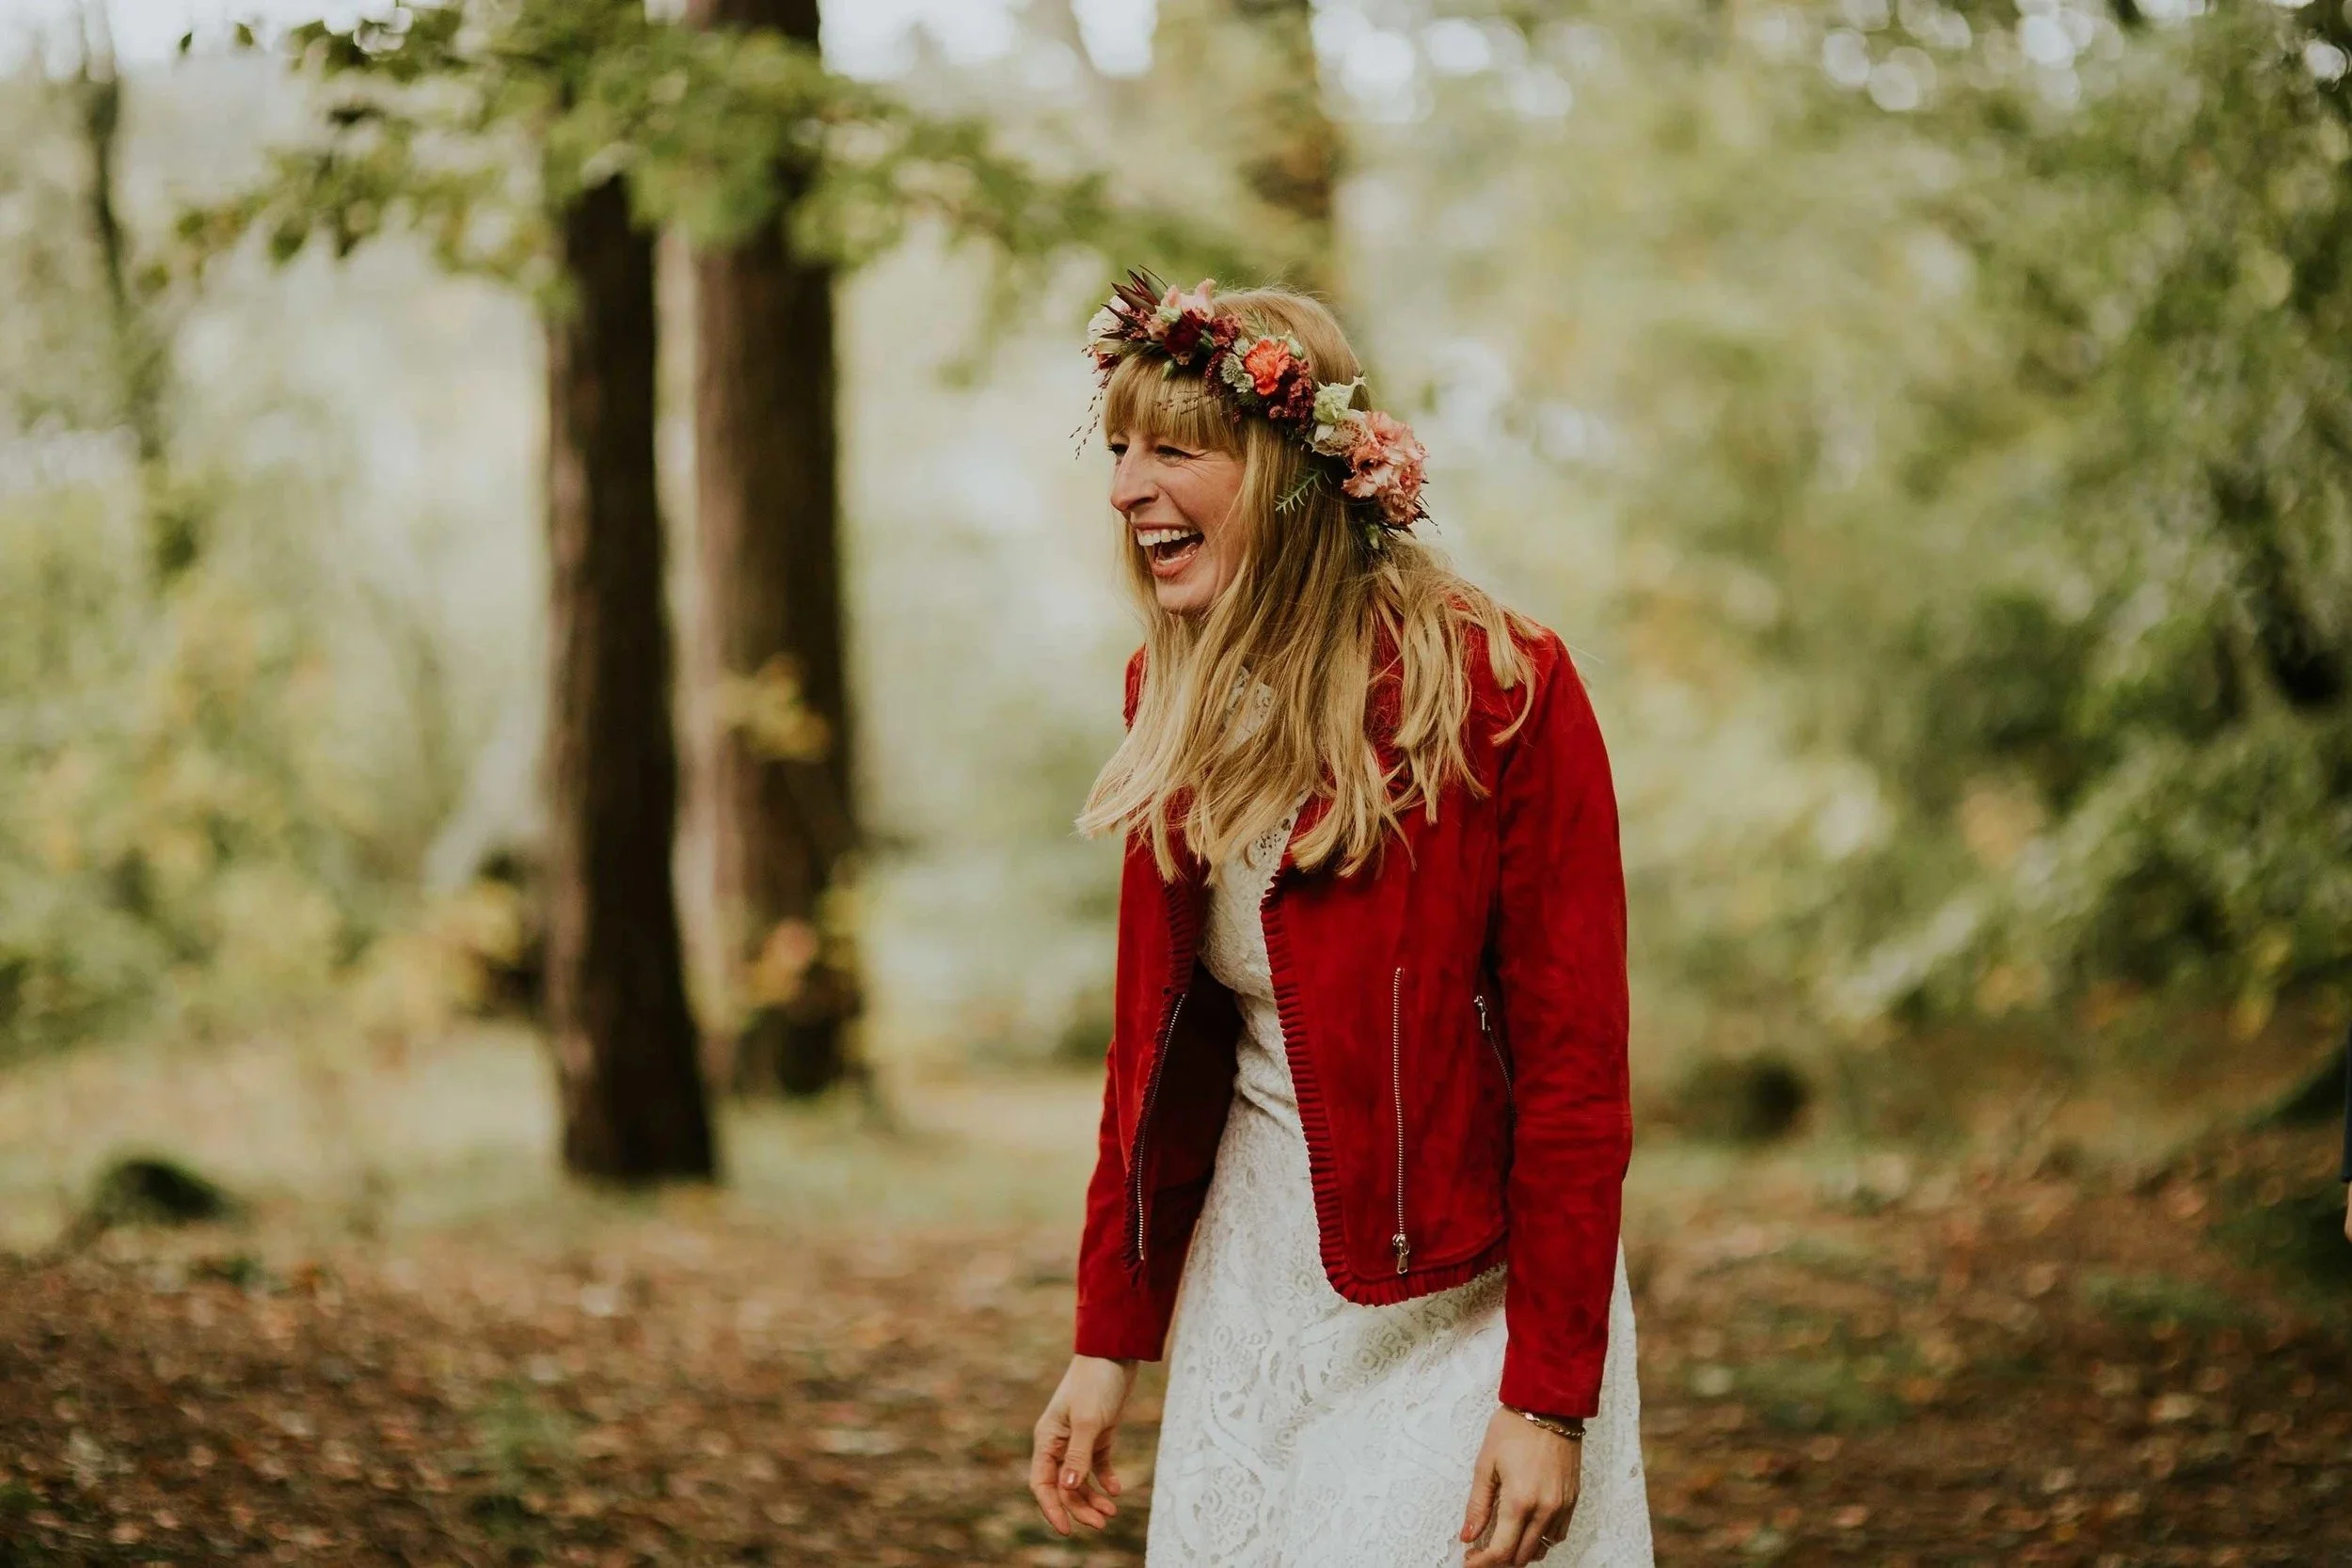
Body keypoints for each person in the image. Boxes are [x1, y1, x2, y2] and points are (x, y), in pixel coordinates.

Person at [1027, 276, 1652, 1567]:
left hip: (1471, 1288)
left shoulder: (1499, 686)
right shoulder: (1169, 693)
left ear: (1288, 470)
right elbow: (1152, 1053)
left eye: (1175, 450)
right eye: (1122, 447)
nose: (1126, 487)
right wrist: (1107, 1339)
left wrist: (1548, 1392)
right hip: (1253, 1287)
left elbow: (1577, 1073)